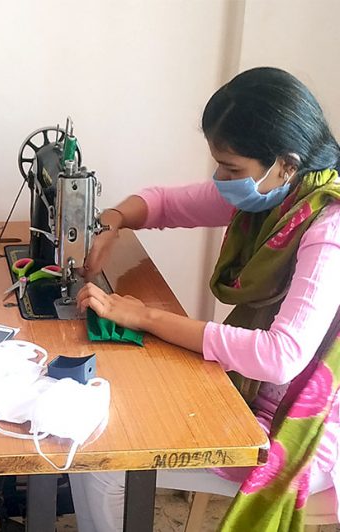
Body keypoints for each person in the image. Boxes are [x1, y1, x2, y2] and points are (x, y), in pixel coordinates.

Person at [70, 67, 340, 531]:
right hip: (261, 391)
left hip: (304, 426)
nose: (220, 178)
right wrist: (110, 220)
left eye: (232, 169)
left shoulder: (328, 226)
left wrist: (145, 315)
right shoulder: (277, 196)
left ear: (286, 164)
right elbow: (164, 203)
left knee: (101, 459)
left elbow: (281, 357)